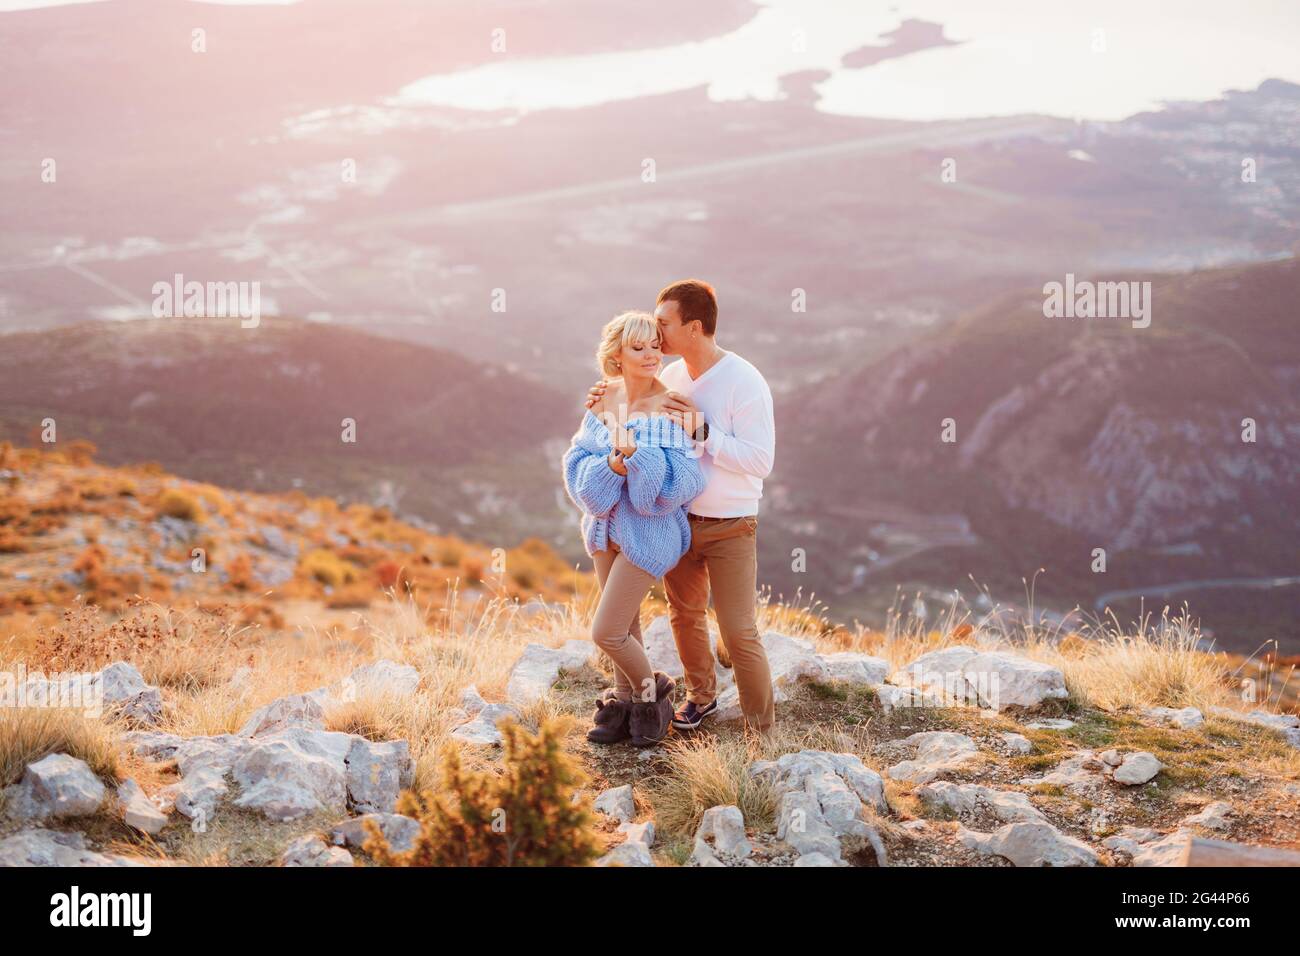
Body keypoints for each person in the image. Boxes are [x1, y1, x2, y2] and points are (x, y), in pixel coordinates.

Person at [587, 279, 776, 734]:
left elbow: (761, 461)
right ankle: (700, 698)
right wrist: (604, 400)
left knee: (738, 631)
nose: (657, 333)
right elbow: (631, 398)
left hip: (731, 524)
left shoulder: (744, 380)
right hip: (679, 523)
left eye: (663, 325)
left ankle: (760, 729)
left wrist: (703, 431)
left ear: (694, 327)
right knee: (684, 615)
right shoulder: (670, 377)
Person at [562, 310, 706, 746]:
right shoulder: (604, 397)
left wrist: (637, 455)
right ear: (617, 355)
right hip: (605, 528)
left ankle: (653, 696)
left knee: (605, 632)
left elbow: (681, 484)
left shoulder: (671, 404)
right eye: (637, 348)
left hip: (651, 533)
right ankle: (623, 704)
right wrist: (612, 464)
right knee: (626, 628)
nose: (650, 356)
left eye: (655, 347)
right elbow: (577, 467)